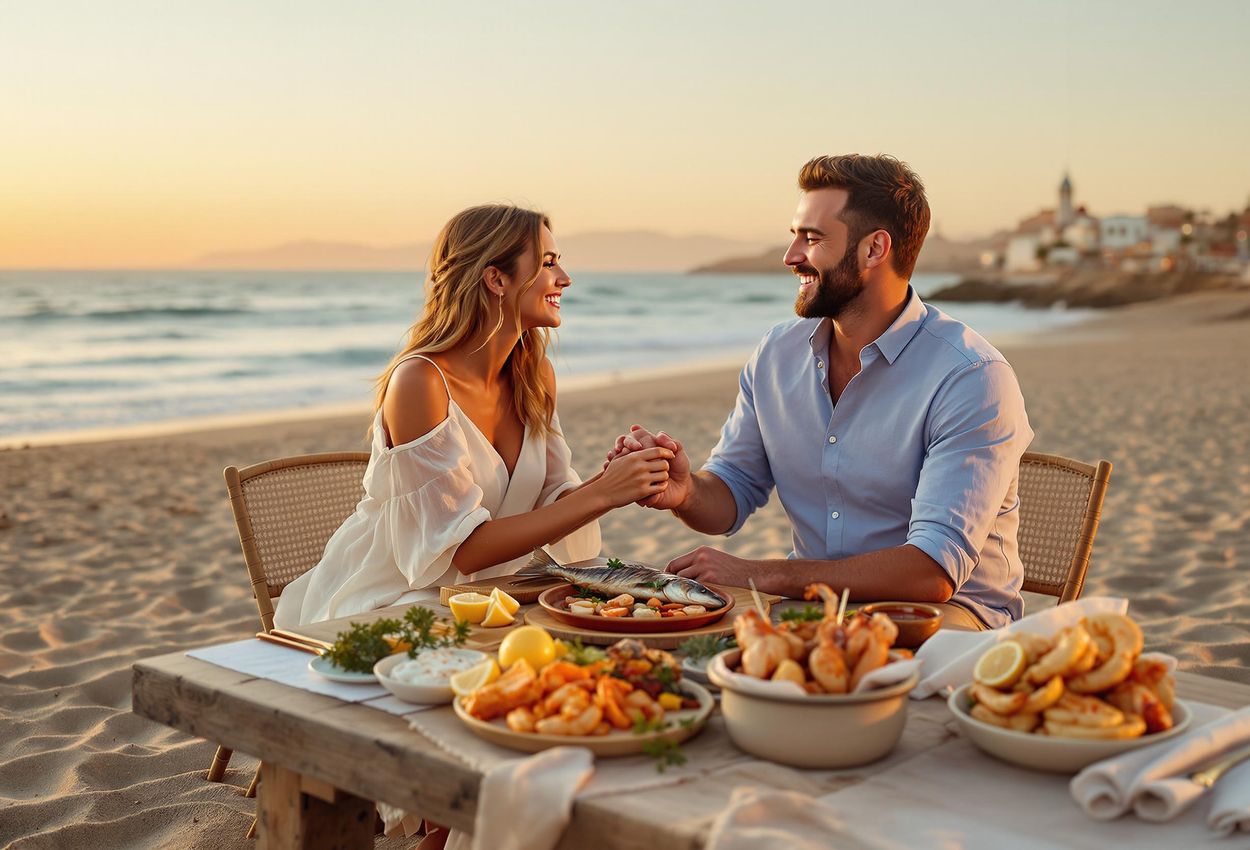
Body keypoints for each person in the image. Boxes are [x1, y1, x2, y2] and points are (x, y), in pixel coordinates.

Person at [606, 155, 1033, 630]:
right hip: (813, 609)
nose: (790, 256)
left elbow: (932, 572)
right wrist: (685, 491)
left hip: (947, 620)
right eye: (795, 235)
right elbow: (730, 495)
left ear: (875, 249)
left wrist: (760, 574)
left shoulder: (971, 376)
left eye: (812, 239)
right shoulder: (776, 355)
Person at [275, 204, 672, 629]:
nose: (565, 279)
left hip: (491, 595)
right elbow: (462, 549)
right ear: (496, 278)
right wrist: (604, 494)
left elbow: (550, 505)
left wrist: (618, 479)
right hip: (394, 601)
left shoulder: (534, 375)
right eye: (548, 263)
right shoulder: (420, 383)